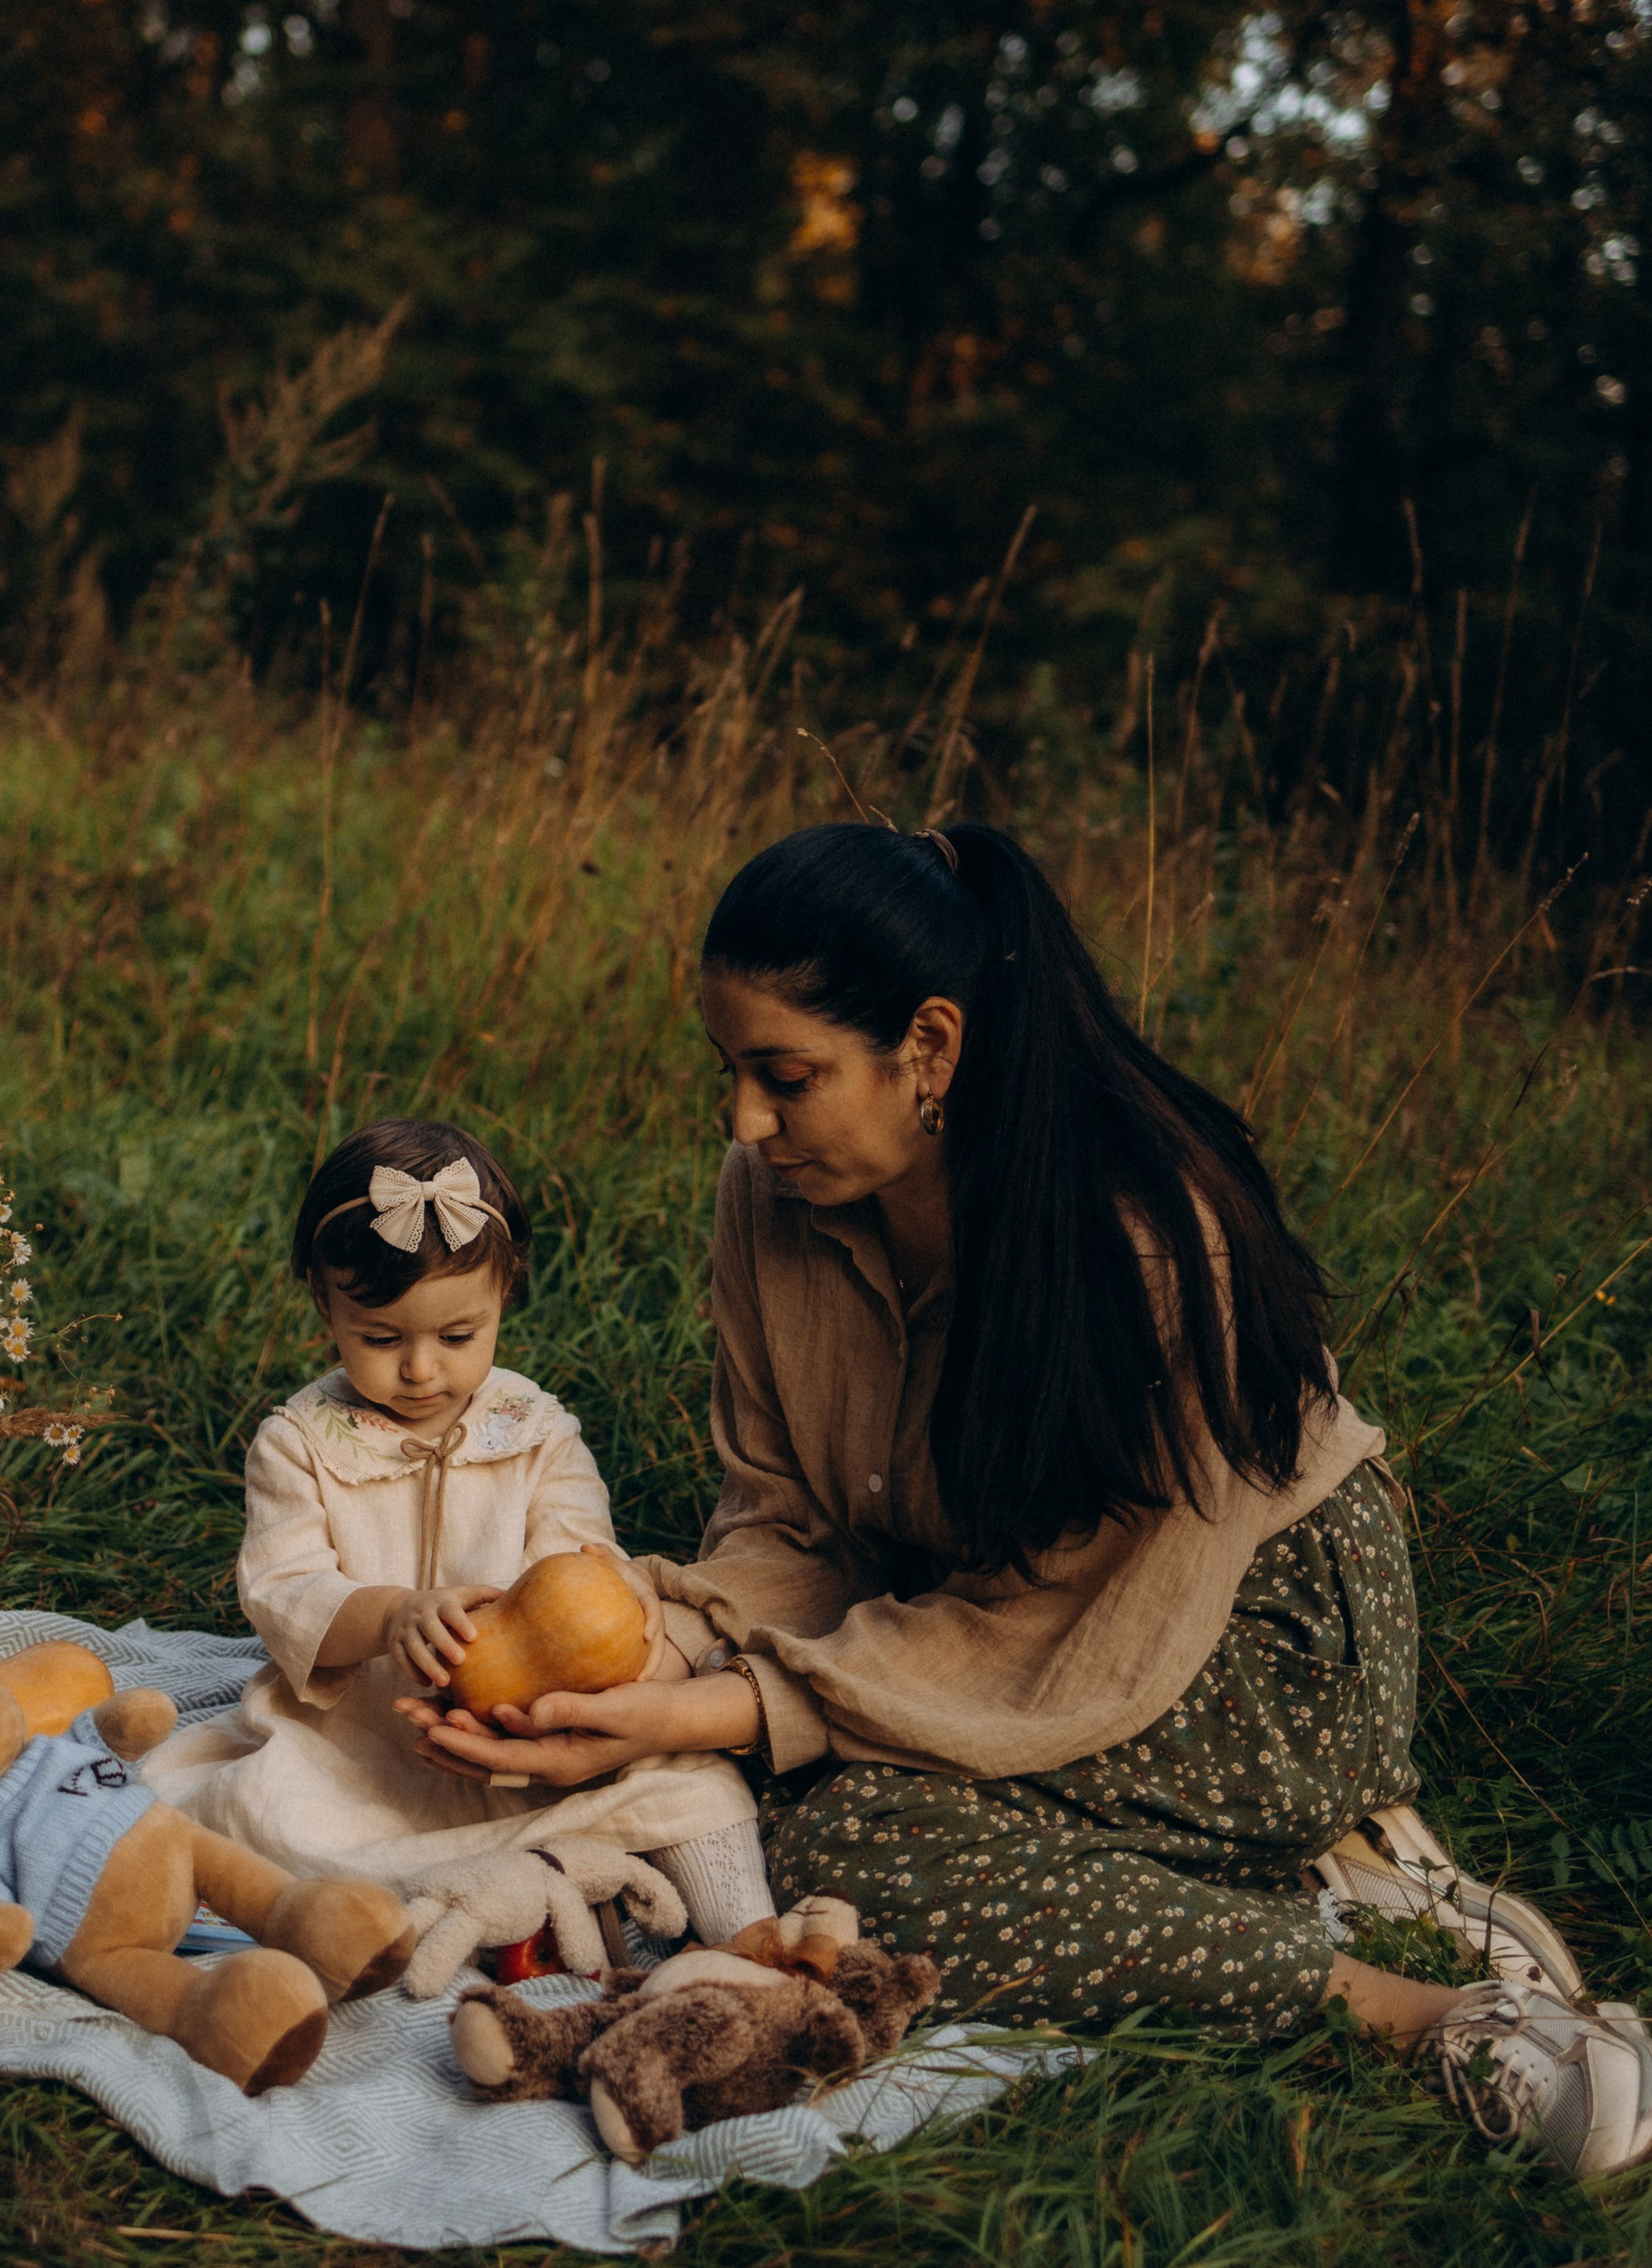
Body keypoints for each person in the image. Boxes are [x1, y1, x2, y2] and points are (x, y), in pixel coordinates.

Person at [404, 822, 1652, 2177]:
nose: (745, 1123)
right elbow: (791, 1522)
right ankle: (1261, 1874)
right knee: (753, 1796)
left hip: (1250, 1638)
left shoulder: (1144, 1241)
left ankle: (1423, 2008)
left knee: (847, 1837)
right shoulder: (769, 1192)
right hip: (986, 1610)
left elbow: (1071, 1627)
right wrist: (653, 1649)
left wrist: (739, 1708)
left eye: (786, 1077)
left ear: (927, 1049)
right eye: (732, 1073)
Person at [139, 1114, 770, 1935]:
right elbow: (285, 1588)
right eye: (380, 1337)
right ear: (324, 1307)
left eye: (458, 1334)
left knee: (696, 1785)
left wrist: (618, 1599)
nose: (420, 1367)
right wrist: (392, 1614)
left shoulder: (538, 1433)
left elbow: (582, 1561)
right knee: (266, 1808)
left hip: (533, 1732)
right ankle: (392, 1906)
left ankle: (751, 1943)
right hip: (364, 1744)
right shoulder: (297, 1445)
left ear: (504, 1296)